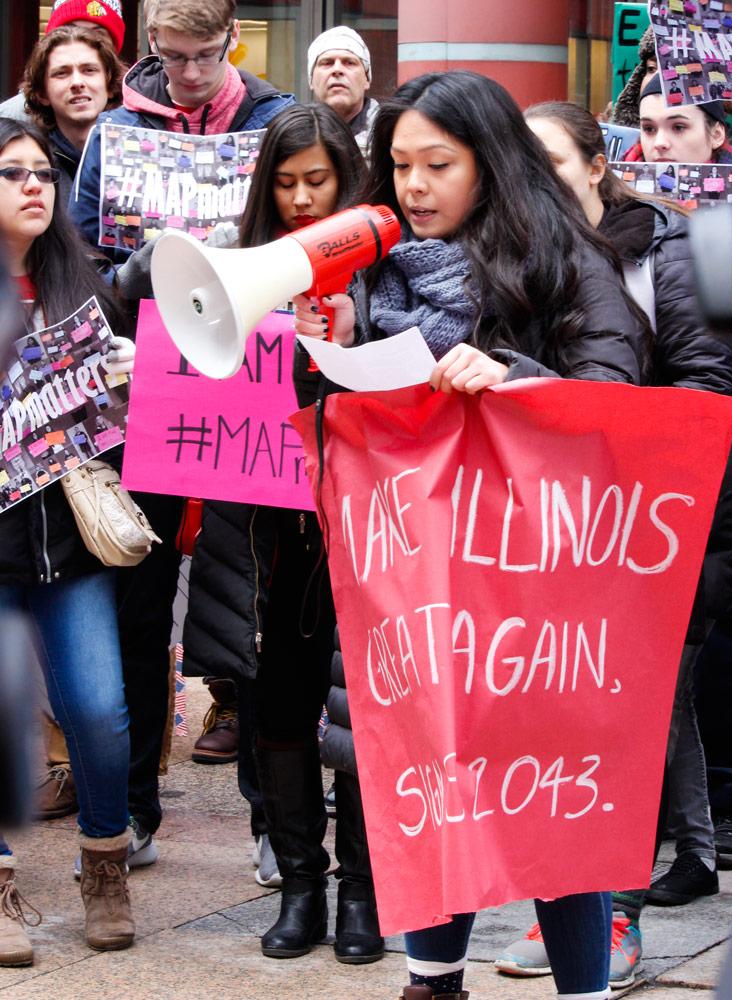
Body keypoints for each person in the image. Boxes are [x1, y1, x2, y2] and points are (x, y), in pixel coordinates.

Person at [293, 70, 648, 1000]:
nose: (412, 186)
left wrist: (512, 375)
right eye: (399, 164)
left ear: (488, 165)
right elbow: (344, 428)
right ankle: (432, 979)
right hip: (417, 577)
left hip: (534, 589)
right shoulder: (373, 270)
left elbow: (613, 397)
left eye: (436, 165)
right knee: (432, 777)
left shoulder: (567, 262)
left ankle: (583, 988)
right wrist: (325, 347)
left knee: (551, 797)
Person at [489, 99, 732, 990]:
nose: (536, 184)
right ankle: (673, 862)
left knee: (628, 714)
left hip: (668, 525)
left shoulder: (665, 255)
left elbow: (710, 391)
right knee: (623, 708)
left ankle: (615, 917)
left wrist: (574, 405)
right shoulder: (522, 260)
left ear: (598, 167)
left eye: (554, 164)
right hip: (564, 529)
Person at [68, 0, 296, 864]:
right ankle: (133, 809)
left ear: (232, 42)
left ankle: (277, 822)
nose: (188, 74)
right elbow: (82, 262)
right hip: (151, 382)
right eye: (171, 58)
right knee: (138, 597)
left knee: (263, 599)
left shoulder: (274, 118)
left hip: (253, 379)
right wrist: (130, 271)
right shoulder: (117, 131)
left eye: (203, 56)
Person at [182, 102, 384, 964]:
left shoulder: (390, 272)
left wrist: (350, 344)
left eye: (319, 183)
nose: (302, 201)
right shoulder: (236, 266)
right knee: (279, 709)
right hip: (267, 540)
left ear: (349, 183)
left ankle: (364, 896)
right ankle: (300, 884)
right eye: (286, 185)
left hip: (360, 534)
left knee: (364, 717)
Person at [0, 118, 136, 965]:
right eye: (11, 172)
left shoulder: (83, 291)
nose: (33, 186)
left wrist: (126, 376)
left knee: (99, 712)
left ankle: (106, 865)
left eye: (43, 172)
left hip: (71, 546)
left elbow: (120, 430)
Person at [22, 27, 125, 223]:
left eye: (89, 70)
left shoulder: (136, 154)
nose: (77, 82)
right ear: (42, 94)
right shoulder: (30, 162)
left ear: (109, 85)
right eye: (62, 73)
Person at [0, 0, 126, 123]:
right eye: (70, 31)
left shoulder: (137, 119)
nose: (81, 42)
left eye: (97, 35)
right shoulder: (10, 120)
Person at [625, 73, 732, 165]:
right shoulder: (613, 187)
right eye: (649, 129)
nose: (659, 143)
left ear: (716, 135)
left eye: (678, 127)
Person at [308, 26, 378, 157]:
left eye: (349, 63)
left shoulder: (390, 137)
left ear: (367, 79)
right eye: (327, 63)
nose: (337, 69)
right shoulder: (294, 139)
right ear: (311, 80)